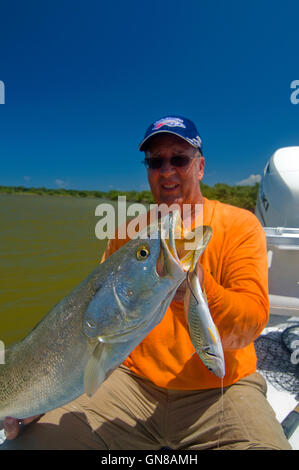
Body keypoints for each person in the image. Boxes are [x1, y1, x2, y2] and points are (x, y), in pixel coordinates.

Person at [2, 115, 291, 450]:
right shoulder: (128, 233)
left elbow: (250, 324)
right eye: (155, 162)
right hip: (129, 384)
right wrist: (43, 394)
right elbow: (94, 319)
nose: (166, 171)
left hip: (222, 390)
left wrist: (196, 289)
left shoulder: (240, 225)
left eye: (179, 159)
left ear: (200, 167)